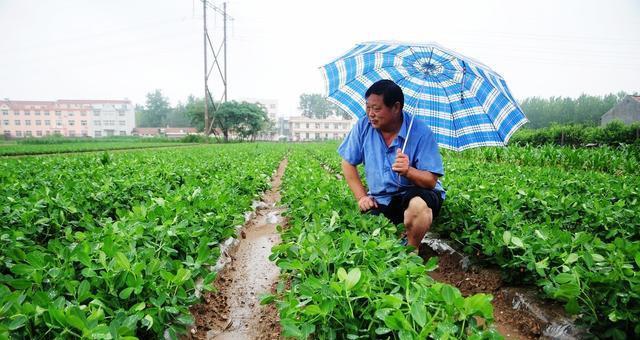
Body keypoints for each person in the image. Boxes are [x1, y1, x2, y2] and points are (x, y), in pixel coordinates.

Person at [338, 79, 445, 248]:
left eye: (377, 108)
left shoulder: (421, 132)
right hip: (382, 199)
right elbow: (347, 163)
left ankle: (411, 250)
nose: (370, 113)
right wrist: (362, 197)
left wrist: (408, 171)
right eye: (368, 107)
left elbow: (431, 181)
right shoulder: (363, 127)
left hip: (416, 194)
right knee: (368, 236)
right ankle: (397, 241)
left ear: (396, 107)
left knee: (418, 208)